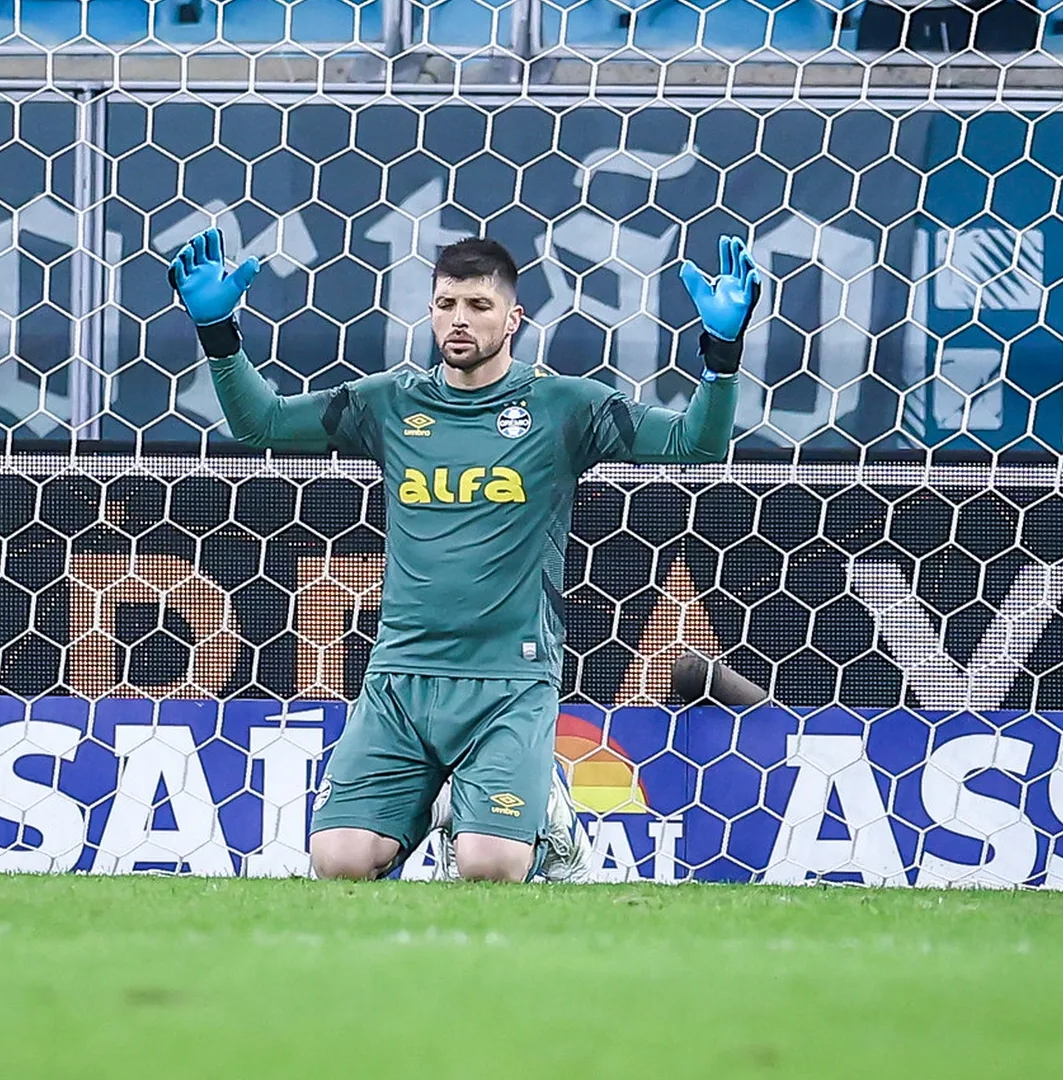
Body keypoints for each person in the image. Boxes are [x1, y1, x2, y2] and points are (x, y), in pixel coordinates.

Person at [168, 229, 761, 882]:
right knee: (338, 863)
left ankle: (544, 814)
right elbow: (263, 424)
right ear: (429, 312)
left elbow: (693, 445)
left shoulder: (565, 407)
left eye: (478, 305)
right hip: (401, 679)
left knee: (489, 867)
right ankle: (472, 800)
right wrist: (218, 330)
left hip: (509, 682)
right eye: (447, 303)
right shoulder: (390, 403)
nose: (459, 319)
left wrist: (721, 353)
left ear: (514, 319)